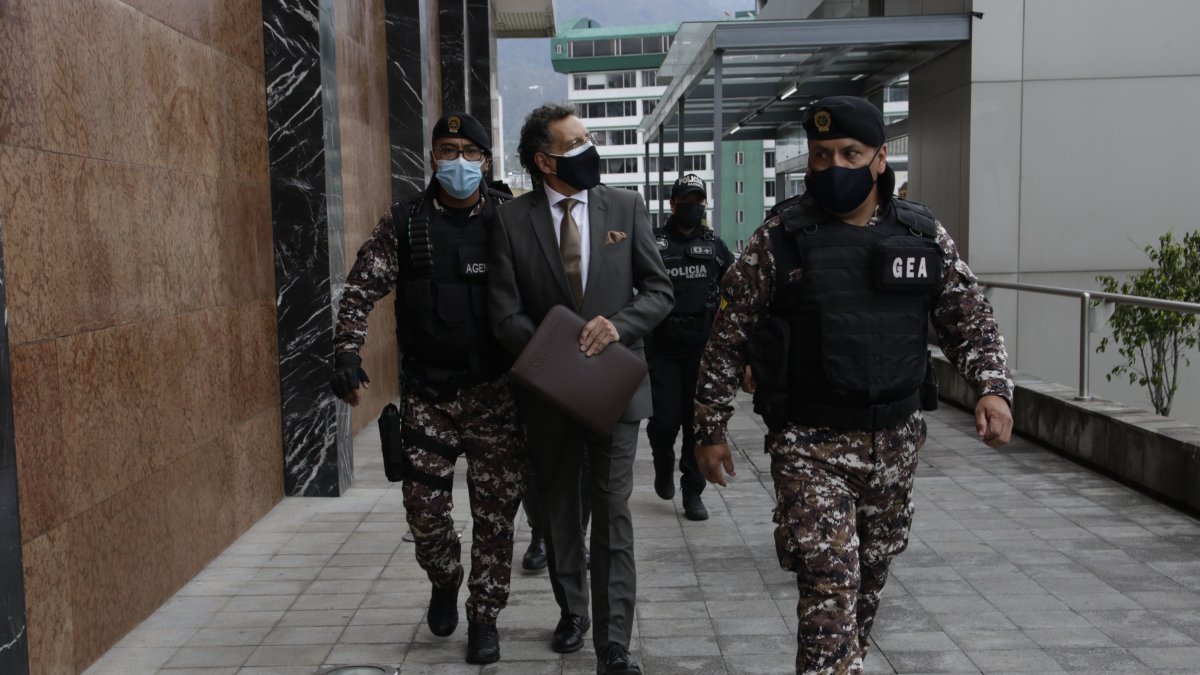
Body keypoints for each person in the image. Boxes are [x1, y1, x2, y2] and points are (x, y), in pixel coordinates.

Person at [693, 96, 1014, 674]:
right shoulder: (780, 239)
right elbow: (728, 334)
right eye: (820, 155)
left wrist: (992, 386)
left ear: (880, 159)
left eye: (850, 153)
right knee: (829, 586)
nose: (833, 165)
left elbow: (968, 315)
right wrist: (709, 427)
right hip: (810, 445)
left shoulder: (921, 235)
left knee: (866, 583)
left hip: (895, 441)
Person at [330, 112, 524, 665]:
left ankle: (484, 615)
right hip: (428, 395)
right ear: (431, 156)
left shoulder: (511, 221)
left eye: (467, 150)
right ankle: (444, 576)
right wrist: (346, 350)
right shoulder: (407, 224)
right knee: (424, 513)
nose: (456, 160)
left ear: (485, 160)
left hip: (496, 394)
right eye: (445, 149)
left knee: (495, 516)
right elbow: (361, 289)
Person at [488, 103, 673, 675]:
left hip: (616, 394)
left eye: (588, 138)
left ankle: (614, 645)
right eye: (576, 142)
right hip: (549, 395)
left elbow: (659, 290)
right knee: (560, 512)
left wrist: (619, 326)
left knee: (612, 510)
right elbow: (504, 312)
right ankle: (573, 610)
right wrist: (560, 352)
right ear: (545, 160)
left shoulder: (625, 205)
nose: (589, 149)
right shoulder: (511, 220)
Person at [646, 174, 733, 521]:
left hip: (702, 350)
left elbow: (737, 292)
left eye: (699, 200)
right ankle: (662, 465)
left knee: (696, 424)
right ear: (673, 204)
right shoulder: (654, 244)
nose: (693, 206)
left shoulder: (715, 247)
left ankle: (692, 491)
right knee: (664, 423)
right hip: (662, 348)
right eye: (687, 200)